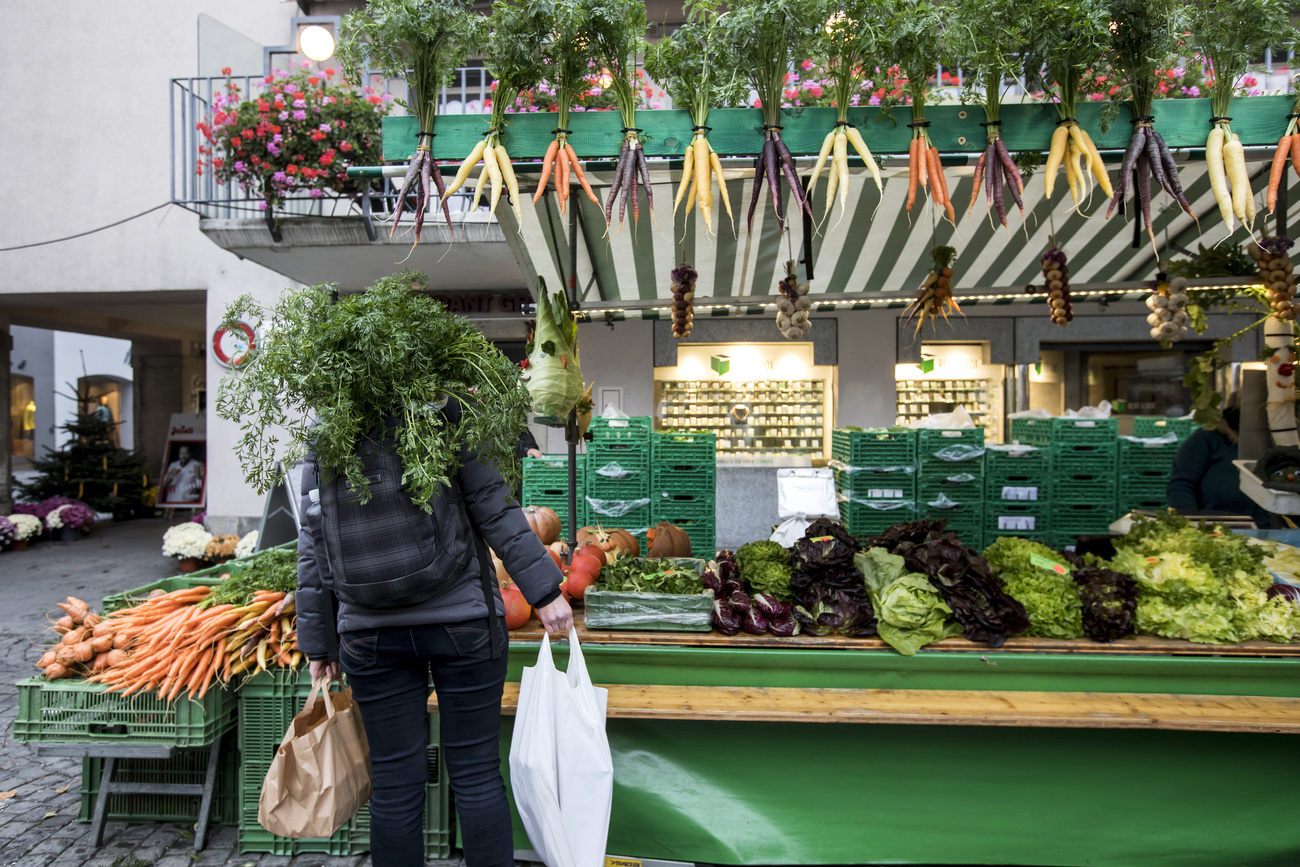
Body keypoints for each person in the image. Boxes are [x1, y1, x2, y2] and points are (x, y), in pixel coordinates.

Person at [296, 410, 573, 867]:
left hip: (369, 632)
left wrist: (319, 642)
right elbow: (493, 505)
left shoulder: (328, 426)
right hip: (462, 621)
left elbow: (313, 539)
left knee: (394, 785)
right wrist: (543, 592)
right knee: (476, 775)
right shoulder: (444, 408)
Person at [1166, 392, 1271, 527]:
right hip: (1215, 530)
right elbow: (1181, 485)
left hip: (1277, 533)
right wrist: (1189, 526)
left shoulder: (1285, 441)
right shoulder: (1210, 438)